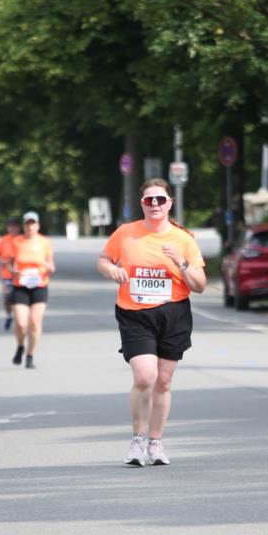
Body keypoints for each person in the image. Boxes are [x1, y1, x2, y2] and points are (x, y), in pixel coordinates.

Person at [97, 179, 206, 467]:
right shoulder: (126, 233)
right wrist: (111, 270)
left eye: (160, 199)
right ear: (142, 204)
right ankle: (137, 441)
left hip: (174, 313)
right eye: (149, 200)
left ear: (170, 202)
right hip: (136, 313)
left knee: (164, 381)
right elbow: (104, 258)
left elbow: (201, 285)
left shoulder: (184, 240)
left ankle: (156, 443)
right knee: (146, 376)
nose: (155, 204)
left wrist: (181, 263)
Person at [8, 211, 55, 368]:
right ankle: (20, 346)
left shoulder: (44, 242)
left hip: (39, 286)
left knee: (34, 322)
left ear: (38, 225)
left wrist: (46, 266)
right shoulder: (16, 242)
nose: (30, 227)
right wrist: (13, 270)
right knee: (21, 323)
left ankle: (30, 355)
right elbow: (9, 263)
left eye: (32, 223)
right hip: (20, 286)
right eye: (27, 224)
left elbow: (51, 265)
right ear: (23, 226)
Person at [0, 218, 21, 331]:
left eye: (15, 226)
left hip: (20, 275)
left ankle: (19, 319)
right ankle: (9, 315)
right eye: (10, 226)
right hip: (6, 275)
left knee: (20, 299)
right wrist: (2, 261)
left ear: (19, 228)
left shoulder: (23, 240)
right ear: (8, 228)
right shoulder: (3, 240)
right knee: (7, 299)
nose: (13, 228)